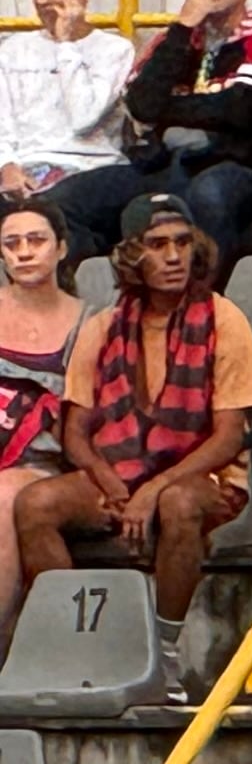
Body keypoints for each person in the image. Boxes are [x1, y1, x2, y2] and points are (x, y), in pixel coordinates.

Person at [13, 191, 252, 640]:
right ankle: (73, 639)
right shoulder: (103, 326)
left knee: (178, 502)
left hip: (206, 478)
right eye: (158, 245)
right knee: (35, 504)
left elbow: (227, 438)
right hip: (117, 471)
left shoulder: (226, 320)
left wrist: (152, 488)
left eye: (183, 244)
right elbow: (76, 432)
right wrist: (109, 481)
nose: (173, 257)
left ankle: (166, 650)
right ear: (131, 256)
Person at [62, 0, 252, 260]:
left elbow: (241, 109)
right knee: (65, 200)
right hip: (162, 164)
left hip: (234, 164)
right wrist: (183, 28)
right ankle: (103, 292)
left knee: (207, 196)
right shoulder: (176, 39)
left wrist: (167, 107)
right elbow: (141, 104)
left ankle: (204, 304)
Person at [0, 0, 131, 218]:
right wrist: (6, 165)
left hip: (91, 169)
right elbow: (3, 121)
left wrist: (66, 43)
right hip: (25, 169)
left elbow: (84, 117)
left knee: (52, 209)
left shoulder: (115, 50)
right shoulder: (12, 49)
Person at [0, 203, 83, 553]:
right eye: (12, 243)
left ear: (61, 248)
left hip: (44, 462)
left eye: (36, 240)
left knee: (3, 498)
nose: (24, 253)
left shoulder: (91, 322)